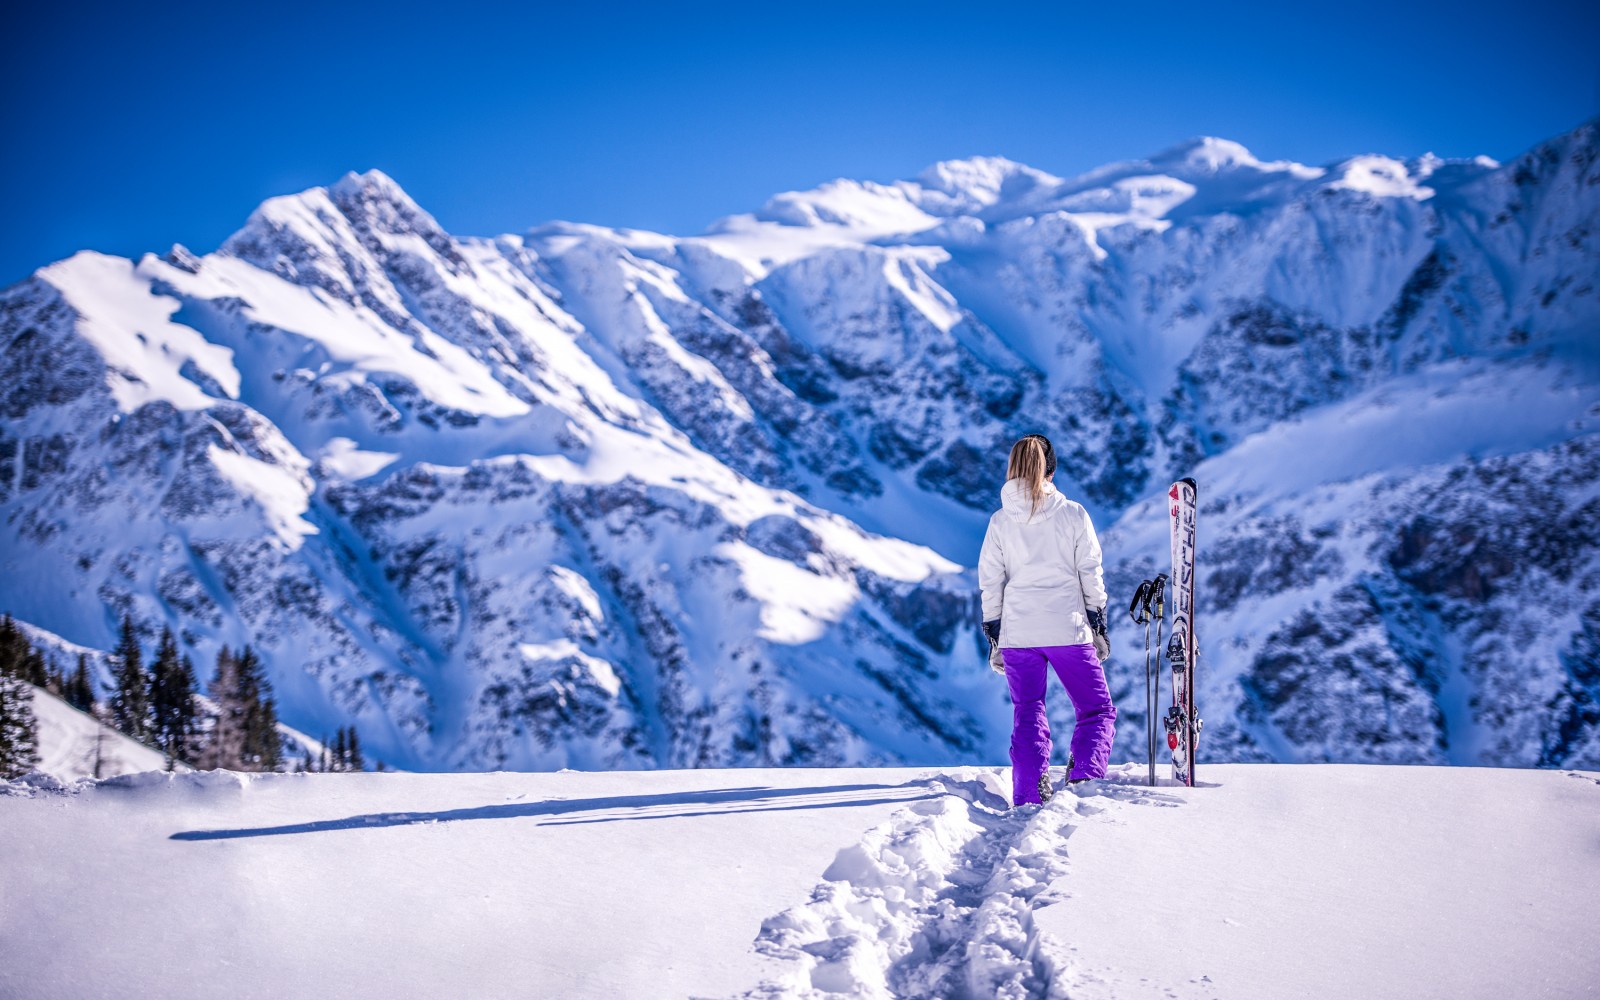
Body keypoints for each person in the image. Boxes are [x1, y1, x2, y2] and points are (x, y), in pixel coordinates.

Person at [978, 434, 1115, 806]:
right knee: (1096, 709)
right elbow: (1091, 572)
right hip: (1068, 628)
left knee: (1028, 709)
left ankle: (1028, 792)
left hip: (1018, 632)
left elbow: (991, 582)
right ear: (1051, 469)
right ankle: (1084, 778)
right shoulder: (1072, 514)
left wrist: (994, 634)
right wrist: (1097, 624)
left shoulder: (1000, 522)